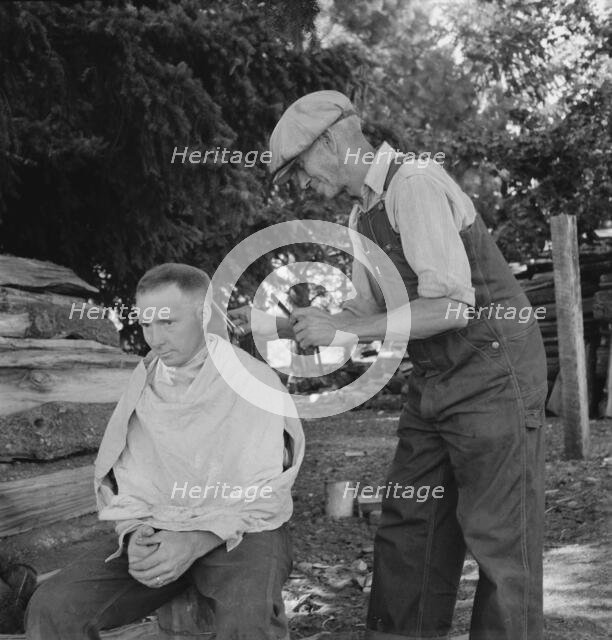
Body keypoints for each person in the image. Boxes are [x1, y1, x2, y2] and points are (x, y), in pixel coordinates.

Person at [230, 90, 547, 640]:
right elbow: (361, 314)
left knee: (500, 538)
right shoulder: (361, 216)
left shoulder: (415, 184)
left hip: (495, 376)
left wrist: (348, 327)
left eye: (298, 169)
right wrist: (273, 323)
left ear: (330, 139)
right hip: (436, 383)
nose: (300, 186)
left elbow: (450, 306)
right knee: (409, 524)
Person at [26, 263, 304, 640]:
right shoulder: (145, 381)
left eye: (168, 323)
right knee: (53, 608)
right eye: (145, 324)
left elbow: (264, 493)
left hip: (244, 530)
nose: (154, 339)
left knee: (247, 620)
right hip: (160, 528)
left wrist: (196, 539)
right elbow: (126, 475)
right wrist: (134, 534)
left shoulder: (252, 382)